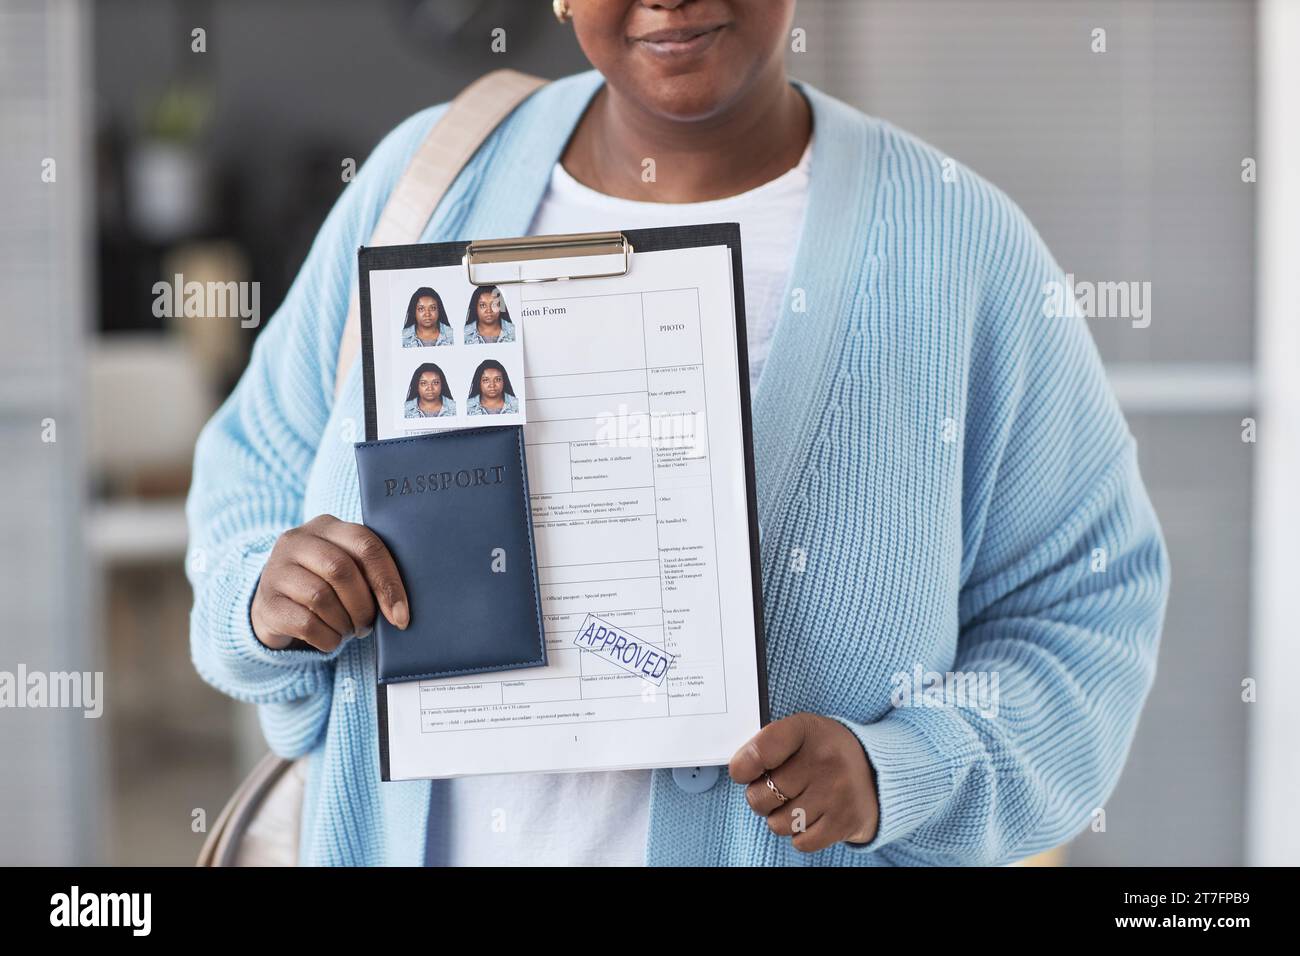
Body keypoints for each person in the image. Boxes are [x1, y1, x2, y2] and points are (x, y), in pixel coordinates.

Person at [187, 0, 1169, 867]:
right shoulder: (425, 180)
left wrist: (893, 769)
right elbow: (255, 477)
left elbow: (1086, 608)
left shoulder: (953, 244)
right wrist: (266, 592)